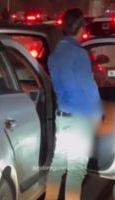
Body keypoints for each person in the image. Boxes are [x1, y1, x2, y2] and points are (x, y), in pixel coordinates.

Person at [45, 8, 102, 200]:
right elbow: (89, 88)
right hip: (80, 120)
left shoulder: (54, 55)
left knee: (57, 166)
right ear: (81, 29)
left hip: (63, 118)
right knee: (76, 171)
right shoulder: (79, 54)